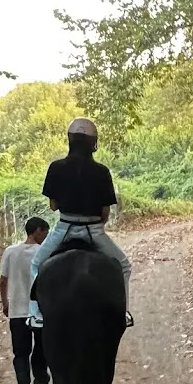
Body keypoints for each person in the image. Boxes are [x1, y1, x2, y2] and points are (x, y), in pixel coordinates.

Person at [27, 118, 133, 328]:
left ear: (70, 140)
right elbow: (105, 212)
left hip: (64, 228)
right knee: (124, 265)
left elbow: (53, 206)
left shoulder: (56, 167)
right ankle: (123, 313)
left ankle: (36, 315)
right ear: (93, 143)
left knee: (36, 264)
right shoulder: (102, 171)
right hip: (93, 229)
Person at [0, 216, 51, 384]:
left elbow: (3, 280)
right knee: (41, 348)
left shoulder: (10, 252)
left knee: (20, 353)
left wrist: (5, 303)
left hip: (17, 311)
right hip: (39, 311)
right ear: (37, 230)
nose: (46, 237)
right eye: (45, 233)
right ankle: (41, 381)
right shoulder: (44, 253)